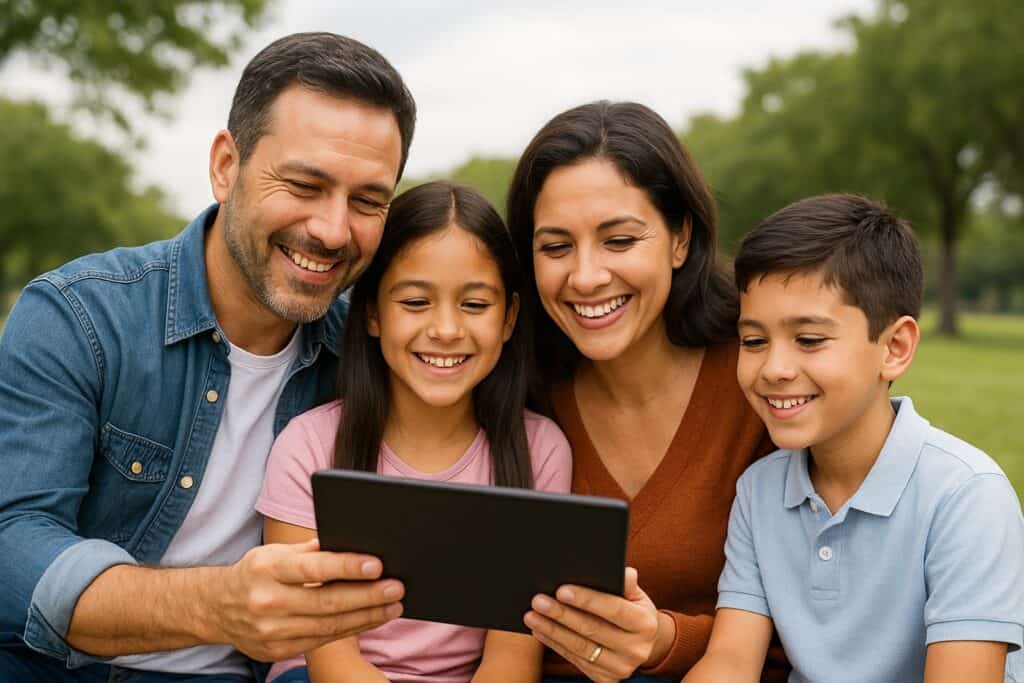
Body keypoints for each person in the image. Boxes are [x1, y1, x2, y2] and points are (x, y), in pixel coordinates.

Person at [0, 32, 417, 680]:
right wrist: (216, 605)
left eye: (368, 200)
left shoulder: (377, 354)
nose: (334, 230)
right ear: (227, 165)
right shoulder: (78, 316)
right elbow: (13, 539)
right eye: (305, 184)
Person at [683, 194, 1024, 682]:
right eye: (754, 341)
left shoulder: (967, 496)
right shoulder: (758, 491)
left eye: (809, 340)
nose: (774, 369)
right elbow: (731, 661)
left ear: (894, 348)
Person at [506, 100, 788, 682]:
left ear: (680, 238)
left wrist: (663, 640)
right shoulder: (511, 387)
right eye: (555, 247)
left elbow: (828, 613)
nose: (584, 277)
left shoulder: (763, 379)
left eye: (619, 240)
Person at [255, 181, 572, 683]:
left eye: (474, 305)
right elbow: (327, 655)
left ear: (509, 317)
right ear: (374, 313)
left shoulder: (540, 450)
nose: (446, 329)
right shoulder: (309, 446)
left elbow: (512, 660)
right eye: (415, 302)